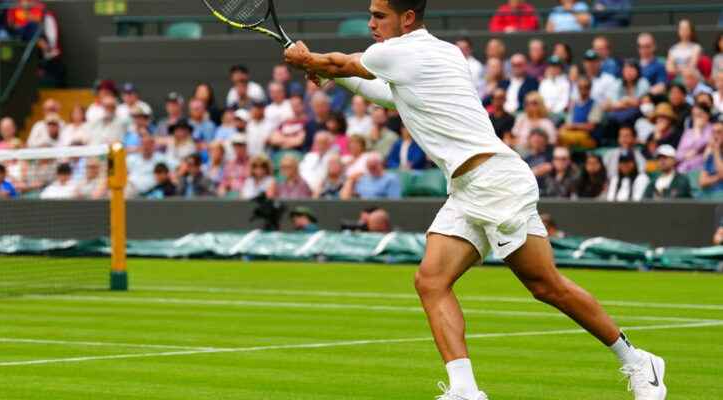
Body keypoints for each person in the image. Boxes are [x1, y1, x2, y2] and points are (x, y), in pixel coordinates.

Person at [284, 4, 667, 397]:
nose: (371, 23)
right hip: (469, 189)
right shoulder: (443, 51)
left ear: (408, 17)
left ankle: (637, 360)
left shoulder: (394, 53)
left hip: (495, 184)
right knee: (431, 281)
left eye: (380, 15)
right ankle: (465, 391)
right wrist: (330, 74)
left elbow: (342, 62)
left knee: (546, 286)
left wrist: (308, 59)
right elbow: (385, 95)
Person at [559, 77, 603, 149]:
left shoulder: (595, 105)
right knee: (559, 135)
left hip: (589, 137)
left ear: (590, 88)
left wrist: (573, 126)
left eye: (586, 87)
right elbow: (568, 123)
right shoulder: (573, 104)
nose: (583, 90)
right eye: (580, 87)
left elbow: (591, 127)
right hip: (573, 134)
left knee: (564, 138)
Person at [676, 104, 713, 173]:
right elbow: (678, 155)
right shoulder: (688, 132)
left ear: (707, 115)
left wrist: (698, 130)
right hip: (683, 168)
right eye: (694, 115)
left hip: (701, 169)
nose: (697, 117)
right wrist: (685, 155)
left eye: (699, 114)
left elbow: (703, 145)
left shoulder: (713, 129)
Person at [698, 120, 723, 195]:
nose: (715, 136)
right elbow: (702, 182)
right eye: (713, 132)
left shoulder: (714, 152)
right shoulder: (710, 157)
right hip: (710, 196)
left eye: (719, 132)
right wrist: (718, 177)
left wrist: (716, 150)